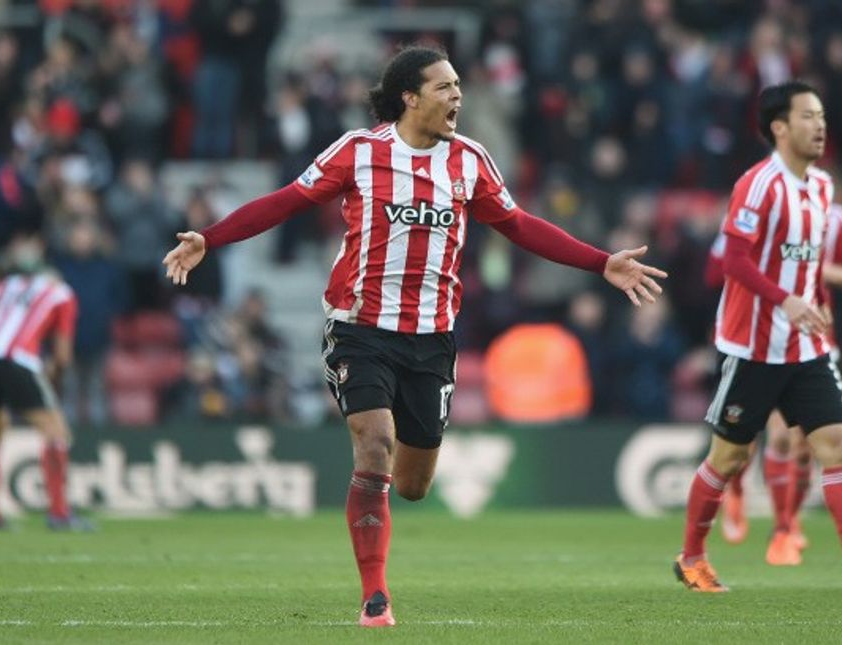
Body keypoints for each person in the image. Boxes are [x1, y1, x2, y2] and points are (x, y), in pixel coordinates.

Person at [163, 45, 667, 626]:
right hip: (359, 327)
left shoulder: (470, 162)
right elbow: (286, 201)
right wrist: (210, 238)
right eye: (445, 87)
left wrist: (601, 262)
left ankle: (385, 500)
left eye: (458, 86)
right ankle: (375, 596)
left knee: (412, 484)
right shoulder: (359, 152)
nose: (458, 96)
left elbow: (520, 225)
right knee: (374, 442)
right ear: (410, 97)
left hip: (431, 337)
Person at [673, 80, 842, 592]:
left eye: (822, 115)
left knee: (837, 443)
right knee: (729, 458)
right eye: (808, 116)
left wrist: (814, 309)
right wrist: (786, 302)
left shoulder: (823, 189)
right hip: (754, 347)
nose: (820, 125)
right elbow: (734, 260)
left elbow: (808, 269)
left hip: (806, 347)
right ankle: (691, 557)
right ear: (779, 127)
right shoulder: (758, 184)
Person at [707, 199, 842, 564]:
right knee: (764, 439)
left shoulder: (835, 217)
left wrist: (818, 269)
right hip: (760, 340)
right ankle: (742, 493)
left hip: (813, 339)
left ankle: (786, 525)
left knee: (804, 444)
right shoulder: (754, 212)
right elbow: (717, 268)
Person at [0, 232, 91, 531]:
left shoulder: (0, 287)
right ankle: (59, 513)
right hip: (18, 359)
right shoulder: (62, 294)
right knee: (56, 433)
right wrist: (52, 376)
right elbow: (63, 354)